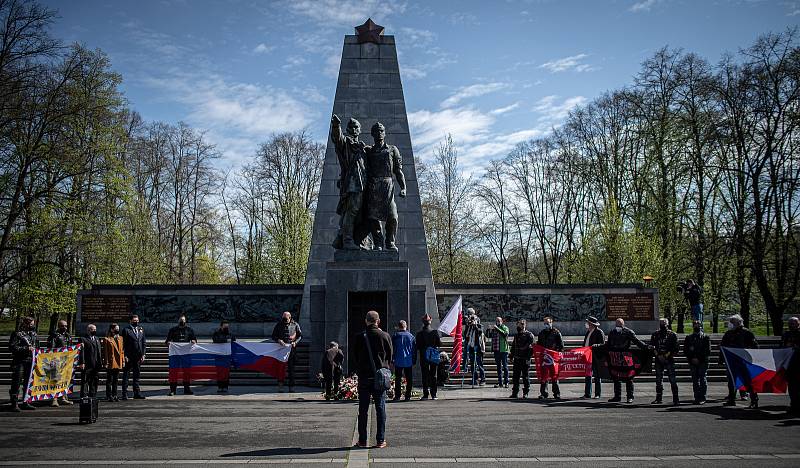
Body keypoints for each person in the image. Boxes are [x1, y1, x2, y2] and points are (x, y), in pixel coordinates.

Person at [350, 310, 393, 449]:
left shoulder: (359, 337)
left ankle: (362, 440)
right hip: (379, 377)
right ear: (378, 321)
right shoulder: (385, 335)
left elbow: (355, 356)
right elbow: (390, 356)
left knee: (363, 410)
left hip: (364, 377)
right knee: (380, 408)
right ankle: (380, 440)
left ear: (366, 321)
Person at [363, 121, 407, 251]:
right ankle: (378, 242)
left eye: (381, 130)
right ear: (372, 134)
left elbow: (398, 171)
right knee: (373, 217)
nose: (379, 133)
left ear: (385, 133)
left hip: (388, 185)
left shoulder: (392, 149)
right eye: (376, 131)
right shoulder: (368, 151)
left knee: (393, 216)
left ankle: (390, 242)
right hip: (373, 186)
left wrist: (403, 187)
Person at [330, 114, 368, 250]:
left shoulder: (363, 148)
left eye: (356, 127)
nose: (353, 129)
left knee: (362, 214)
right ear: (347, 129)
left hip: (364, 185)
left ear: (360, 130)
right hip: (353, 184)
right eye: (351, 127)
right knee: (352, 211)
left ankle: (360, 241)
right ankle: (347, 241)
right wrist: (336, 126)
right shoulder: (345, 143)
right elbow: (337, 138)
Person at [606, 318, 651, 404]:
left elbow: (637, 342)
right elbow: (608, 344)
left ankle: (630, 396)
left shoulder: (628, 332)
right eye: (617, 324)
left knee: (629, 378)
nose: (618, 325)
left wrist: (646, 347)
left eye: (620, 324)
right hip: (615, 357)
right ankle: (617, 396)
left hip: (626, 357)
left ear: (623, 324)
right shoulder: (612, 332)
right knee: (616, 377)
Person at [720, 314, 759, 408]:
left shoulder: (747, 333)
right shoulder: (728, 334)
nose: (730, 324)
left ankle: (754, 399)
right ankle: (731, 399)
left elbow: (755, 346)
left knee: (747, 381)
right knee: (731, 381)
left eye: (732, 322)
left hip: (743, 362)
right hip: (731, 362)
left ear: (738, 322)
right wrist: (721, 358)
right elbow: (723, 347)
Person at [8, 317, 38, 411]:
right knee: (16, 383)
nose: (32, 326)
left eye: (33, 324)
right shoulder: (17, 334)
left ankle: (26, 402)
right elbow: (12, 347)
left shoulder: (33, 334)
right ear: (25, 324)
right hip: (19, 361)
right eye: (31, 324)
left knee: (28, 383)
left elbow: (36, 346)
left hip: (30, 361)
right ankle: (14, 403)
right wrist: (26, 348)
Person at [650, 318, 679, 405]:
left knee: (672, 379)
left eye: (664, 323)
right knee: (658, 380)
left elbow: (676, 348)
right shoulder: (655, 334)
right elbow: (652, 346)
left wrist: (666, 355)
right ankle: (659, 398)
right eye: (661, 323)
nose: (663, 325)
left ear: (668, 324)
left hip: (669, 359)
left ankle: (676, 399)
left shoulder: (672, 334)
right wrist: (658, 355)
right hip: (658, 359)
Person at [165, 315, 197, 396]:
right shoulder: (172, 330)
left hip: (186, 354)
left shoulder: (190, 330)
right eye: (180, 320)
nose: (182, 321)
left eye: (183, 320)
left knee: (186, 372)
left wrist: (193, 341)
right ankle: (173, 390)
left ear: (185, 321)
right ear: (178, 321)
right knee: (173, 372)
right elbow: (167, 341)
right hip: (175, 354)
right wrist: (168, 343)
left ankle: (187, 389)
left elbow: (195, 340)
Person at [271, 311, 302, 392]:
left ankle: (291, 387)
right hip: (281, 350)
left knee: (291, 369)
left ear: (290, 317)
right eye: (283, 318)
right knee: (281, 369)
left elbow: (300, 336)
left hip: (291, 350)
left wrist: (295, 342)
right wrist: (278, 340)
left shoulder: (295, 325)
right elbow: (273, 336)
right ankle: (280, 386)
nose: (284, 320)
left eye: (286, 318)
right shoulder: (279, 325)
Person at [46, 320, 74, 406]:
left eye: (65, 326)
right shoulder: (54, 336)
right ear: (59, 326)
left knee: (64, 380)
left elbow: (70, 348)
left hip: (66, 361)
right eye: (62, 326)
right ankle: (54, 399)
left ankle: (62, 397)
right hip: (55, 360)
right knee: (55, 380)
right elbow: (51, 348)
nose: (64, 328)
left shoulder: (68, 336)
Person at [684, 319, 711, 405]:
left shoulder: (705, 337)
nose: (696, 325)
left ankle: (702, 397)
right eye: (694, 324)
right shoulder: (688, 338)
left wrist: (698, 358)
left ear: (701, 326)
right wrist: (692, 358)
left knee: (703, 379)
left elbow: (707, 351)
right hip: (692, 362)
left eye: (698, 324)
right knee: (695, 380)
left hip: (702, 361)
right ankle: (696, 397)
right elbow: (686, 350)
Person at [416, 313, 442, 400]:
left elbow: (417, 346)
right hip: (433, 355)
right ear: (430, 321)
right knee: (433, 375)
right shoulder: (435, 332)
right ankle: (434, 394)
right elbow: (439, 344)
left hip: (424, 356)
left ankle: (425, 394)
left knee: (425, 375)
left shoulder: (419, 333)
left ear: (423, 322)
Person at [537, 315, 564, 400]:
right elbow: (539, 345)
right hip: (544, 357)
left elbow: (561, 345)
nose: (546, 325)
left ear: (551, 323)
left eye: (548, 323)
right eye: (545, 323)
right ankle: (543, 393)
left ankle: (556, 393)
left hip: (553, 358)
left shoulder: (556, 332)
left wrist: (556, 351)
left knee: (554, 376)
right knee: (544, 375)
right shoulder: (541, 333)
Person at [121, 315, 146, 400]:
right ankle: (124, 393)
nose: (136, 322)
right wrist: (124, 355)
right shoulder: (126, 330)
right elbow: (123, 344)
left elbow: (143, 343)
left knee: (137, 376)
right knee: (126, 375)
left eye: (137, 320)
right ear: (130, 321)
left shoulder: (141, 329)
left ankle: (137, 393)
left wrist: (143, 354)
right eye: (134, 320)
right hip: (129, 356)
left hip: (138, 356)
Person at [509, 319, 535, 399]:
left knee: (525, 377)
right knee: (515, 377)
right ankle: (515, 392)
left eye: (520, 324)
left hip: (525, 359)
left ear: (524, 325)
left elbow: (532, 348)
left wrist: (528, 357)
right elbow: (514, 346)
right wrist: (511, 355)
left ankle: (526, 392)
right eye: (518, 324)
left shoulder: (529, 335)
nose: (519, 326)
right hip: (517, 358)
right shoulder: (517, 335)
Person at [391, 320, 415, 401]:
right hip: (408, 360)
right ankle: (408, 396)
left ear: (398, 326)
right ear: (406, 326)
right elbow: (414, 350)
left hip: (398, 360)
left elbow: (392, 348)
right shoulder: (411, 336)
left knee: (398, 378)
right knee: (409, 378)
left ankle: (397, 395)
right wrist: (414, 360)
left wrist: (392, 358)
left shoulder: (395, 336)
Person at [583, 316, 605, 399]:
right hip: (588, 356)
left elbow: (602, 344)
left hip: (596, 357)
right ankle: (587, 393)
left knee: (597, 376)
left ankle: (597, 393)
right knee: (588, 375)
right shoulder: (588, 332)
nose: (586, 324)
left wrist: (595, 346)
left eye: (588, 323)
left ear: (591, 324)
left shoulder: (599, 332)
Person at [102, 323, 125, 402]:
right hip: (111, 362)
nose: (117, 330)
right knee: (109, 380)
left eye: (118, 328)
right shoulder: (107, 339)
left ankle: (115, 395)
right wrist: (106, 362)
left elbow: (122, 351)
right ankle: (109, 395)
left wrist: (123, 361)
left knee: (116, 380)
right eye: (116, 328)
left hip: (118, 362)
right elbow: (105, 352)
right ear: (112, 329)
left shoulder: (121, 338)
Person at [782, 317, 800, 416]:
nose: (791, 325)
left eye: (793, 323)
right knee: (792, 387)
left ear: (798, 324)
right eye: (790, 324)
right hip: (789, 365)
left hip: (798, 364)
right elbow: (782, 346)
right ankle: (794, 405)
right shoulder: (786, 334)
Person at [79, 324, 102, 398]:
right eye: (93, 329)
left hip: (96, 364)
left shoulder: (97, 339)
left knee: (94, 380)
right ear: (88, 330)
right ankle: (84, 395)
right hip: (87, 364)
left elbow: (99, 351)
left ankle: (93, 394)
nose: (95, 331)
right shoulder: (83, 339)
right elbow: (81, 352)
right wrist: (82, 362)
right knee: (85, 381)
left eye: (95, 329)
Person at [212, 320, 235, 393]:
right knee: (219, 372)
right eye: (225, 326)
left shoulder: (230, 334)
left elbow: (234, 342)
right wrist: (226, 340)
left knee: (226, 372)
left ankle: (225, 387)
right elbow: (216, 340)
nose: (226, 328)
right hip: (219, 355)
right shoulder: (216, 334)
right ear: (221, 326)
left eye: (227, 327)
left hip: (227, 356)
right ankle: (220, 386)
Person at [464, 309, 486, 387]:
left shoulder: (479, 325)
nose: (470, 317)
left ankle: (483, 379)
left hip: (478, 346)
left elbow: (480, 332)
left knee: (479, 363)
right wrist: (468, 325)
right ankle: (475, 378)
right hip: (471, 346)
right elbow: (466, 335)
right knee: (472, 364)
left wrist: (475, 325)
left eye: (471, 315)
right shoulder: (468, 325)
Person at [489, 317, 510, 388]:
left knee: (505, 366)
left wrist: (497, 329)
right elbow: (488, 336)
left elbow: (505, 334)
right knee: (498, 367)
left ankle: (506, 382)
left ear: (502, 321)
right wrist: (489, 330)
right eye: (496, 321)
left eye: (499, 321)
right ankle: (500, 382)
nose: (497, 322)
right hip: (496, 349)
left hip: (503, 350)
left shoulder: (505, 327)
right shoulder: (494, 329)